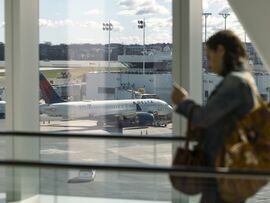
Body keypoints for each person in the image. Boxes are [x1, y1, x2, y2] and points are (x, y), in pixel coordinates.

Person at [171, 30, 259, 203]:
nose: (209, 66)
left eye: (210, 58)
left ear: (221, 50)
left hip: (221, 168)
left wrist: (183, 102)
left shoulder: (235, 82)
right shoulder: (245, 79)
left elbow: (205, 117)